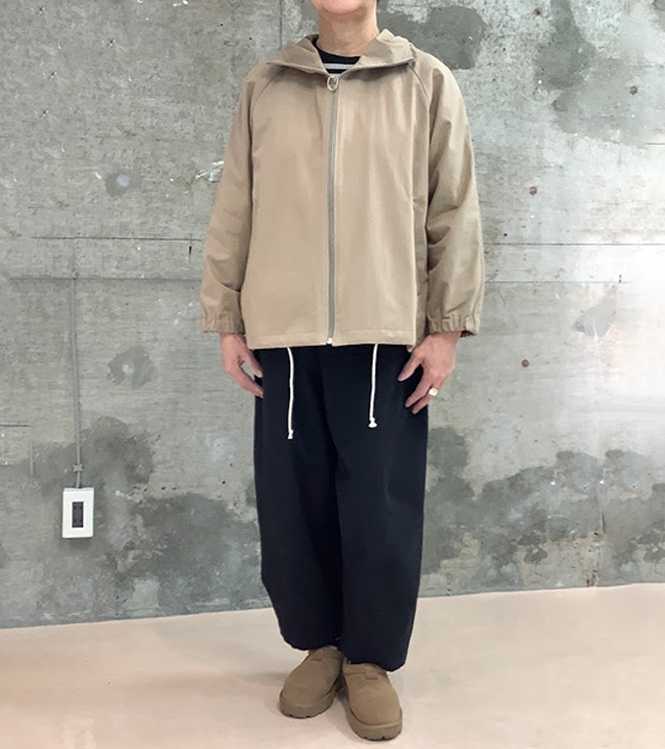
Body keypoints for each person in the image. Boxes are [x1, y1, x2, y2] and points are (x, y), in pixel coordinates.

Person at [199, 0, 484, 741]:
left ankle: (369, 660)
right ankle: (319, 646)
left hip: (386, 332)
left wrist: (446, 326)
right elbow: (237, 201)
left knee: (379, 507)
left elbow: (454, 209)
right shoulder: (268, 83)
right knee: (294, 504)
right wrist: (226, 315)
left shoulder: (425, 81)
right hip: (284, 334)